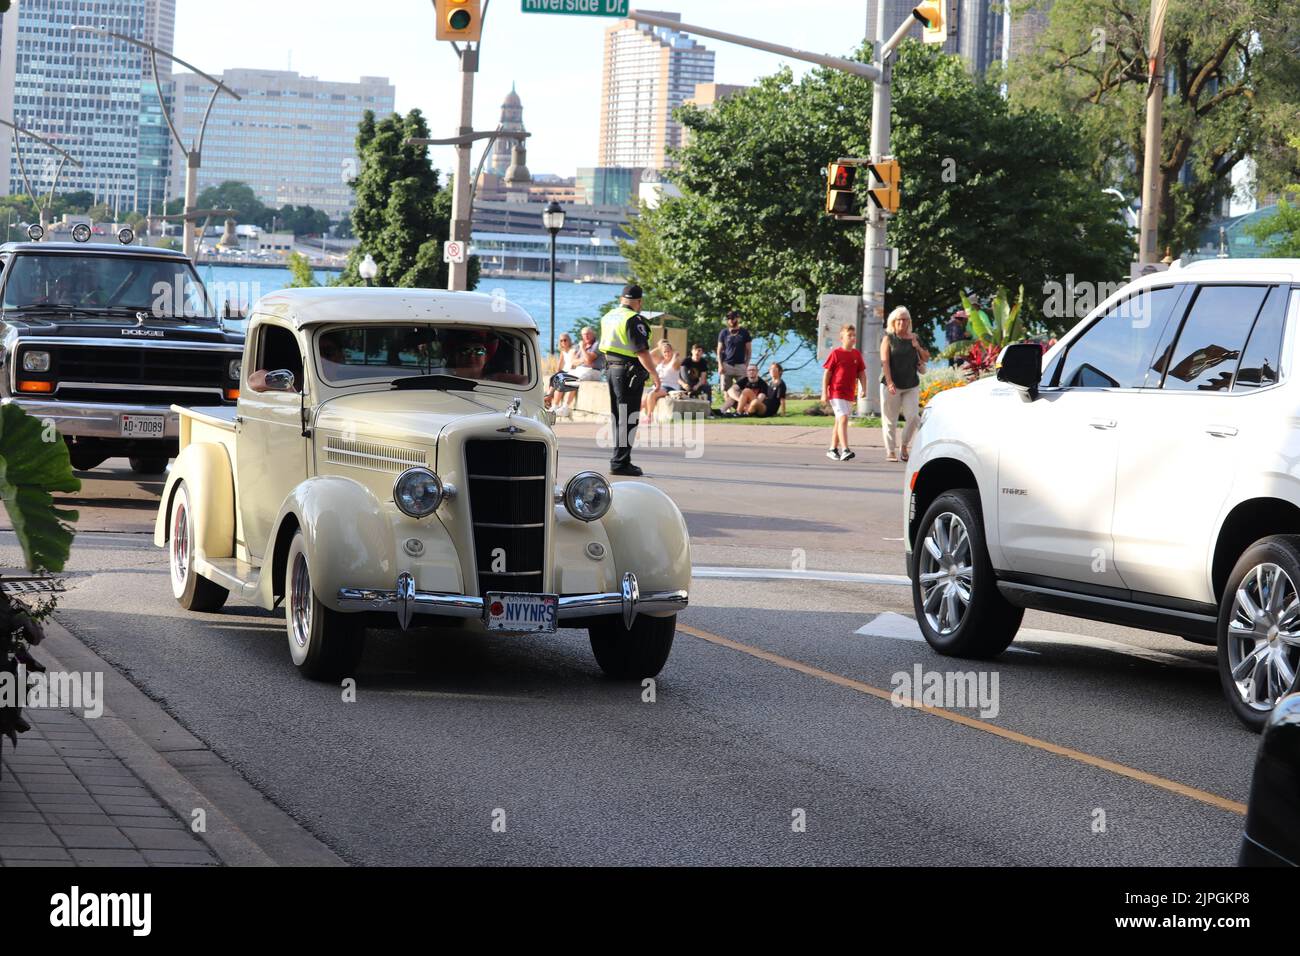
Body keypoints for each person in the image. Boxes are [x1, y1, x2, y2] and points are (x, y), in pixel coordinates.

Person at [598, 284, 659, 476]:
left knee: (619, 416)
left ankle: (619, 460)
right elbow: (641, 351)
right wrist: (656, 376)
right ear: (639, 302)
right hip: (628, 373)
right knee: (628, 418)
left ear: (621, 299)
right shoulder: (634, 319)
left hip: (611, 369)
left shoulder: (608, 316)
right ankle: (621, 463)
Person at [880, 306, 930, 463]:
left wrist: (917, 346)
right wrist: (889, 382)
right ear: (893, 322)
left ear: (909, 321)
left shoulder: (915, 337)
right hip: (892, 384)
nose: (902, 322)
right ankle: (890, 451)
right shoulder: (888, 338)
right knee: (890, 419)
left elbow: (926, 358)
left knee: (913, 417)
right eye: (899, 319)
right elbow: (885, 362)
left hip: (911, 384)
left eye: (905, 319)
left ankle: (904, 446)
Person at [821, 324, 867, 461]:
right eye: (849, 336)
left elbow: (862, 373)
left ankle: (832, 449)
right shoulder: (835, 354)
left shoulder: (856, 354)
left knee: (839, 421)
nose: (853, 338)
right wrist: (824, 392)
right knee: (843, 419)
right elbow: (827, 374)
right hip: (836, 392)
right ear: (842, 338)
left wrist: (864, 388)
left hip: (848, 393)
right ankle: (845, 449)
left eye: (854, 336)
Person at [643, 339, 684, 420]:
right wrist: (659, 347)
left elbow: (675, 362)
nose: (667, 353)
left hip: (669, 387)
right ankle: (638, 418)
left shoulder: (676, 361)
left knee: (651, 394)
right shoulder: (661, 362)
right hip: (658, 386)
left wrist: (675, 354)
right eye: (665, 352)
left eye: (668, 351)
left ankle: (649, 417)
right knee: (642, 400)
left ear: (672, 351)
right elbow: (650, 355)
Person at [716, 310, 752, 392]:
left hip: (740, 366)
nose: (731, 320)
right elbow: (719, 351)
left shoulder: (744, 332)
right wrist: (720, 365)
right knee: (726, 390)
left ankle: (740, 404)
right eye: (728, 319)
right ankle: (727, 404)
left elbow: (749, 350)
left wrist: (746, 364)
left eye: (732, 318)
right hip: (727, 365)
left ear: (737, 318)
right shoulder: (723, 332)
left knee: (743, 389)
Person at [545, 332, 577, 411]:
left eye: (565, 340)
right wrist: (557, 372)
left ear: (569, 340)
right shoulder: (563, 351)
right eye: (561, 341)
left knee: (557, 377)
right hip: (564, 370)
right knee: (552, 378)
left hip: (570, 371)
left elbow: (573, 363)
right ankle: (549, 397)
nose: (563, 342)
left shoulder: (573, 349)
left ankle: (548, 397)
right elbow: (560, 363)